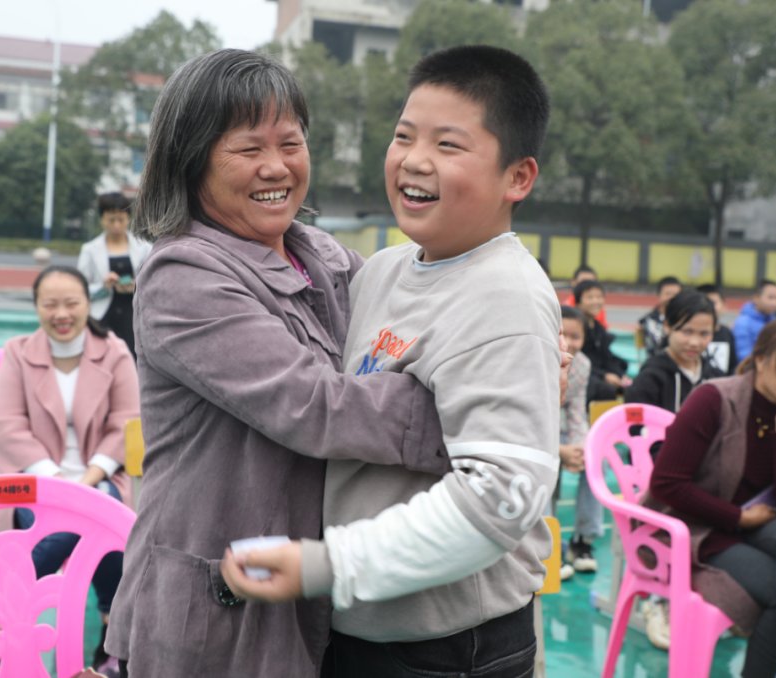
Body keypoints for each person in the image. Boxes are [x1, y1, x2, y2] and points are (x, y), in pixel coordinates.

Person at [103, 49, 450, 678]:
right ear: (192, 160)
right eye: (248, 149)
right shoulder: (182, 275)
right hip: (214, 611)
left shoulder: (321, 255)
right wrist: (476, 411)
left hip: (307, 586)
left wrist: (502, 351)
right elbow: (314, 405)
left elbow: (421, 322)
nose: (276, 167)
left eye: (291, 143)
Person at [221, 45, 561, 678]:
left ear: (518, 177)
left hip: (453, 646)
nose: (414, 159)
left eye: (450, 146)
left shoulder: (505, 295)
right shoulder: (381, 271)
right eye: (404, 136)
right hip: (363, 626)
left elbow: (500, 498)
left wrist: (327, 564)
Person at [648, 317, 776, 678]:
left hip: (756, 531)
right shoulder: (715, 399)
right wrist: (736, 517)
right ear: (762, 359)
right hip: (698, 528)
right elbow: (667, 484)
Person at [0, 265, 138, 675]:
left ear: (88, 303)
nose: (61, 313)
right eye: (50, 304)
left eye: (71, 303)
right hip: (30, 479)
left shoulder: (114, 351)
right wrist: (56, 481)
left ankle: (3, 620)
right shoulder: (18, 352)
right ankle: (110, 636)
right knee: (78, 521)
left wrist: (88, 479)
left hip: (100, 476)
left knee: (97, 513)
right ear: (36, 308)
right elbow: (7, 427)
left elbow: (128, 421)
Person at [623, 290, 724, 650]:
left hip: (702, 478)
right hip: (658, 480)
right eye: (687, 332)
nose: (695, 342)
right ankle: (657, 599)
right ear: (666, 327)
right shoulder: (654, 374)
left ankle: (713, 594)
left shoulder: (713, 375)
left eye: (705, 333)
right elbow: (634, 431)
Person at [77, 192, 152, 357]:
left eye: (121, 219)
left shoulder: (145, 248)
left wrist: (136, 287)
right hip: (102, 317)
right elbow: (79, 290)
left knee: (134, 362)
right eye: (111, 220)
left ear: (129, 218)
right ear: (102, 219)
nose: (116, 225)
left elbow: (155, 285)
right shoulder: (89, 250)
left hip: (134, 318)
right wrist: (103, 286)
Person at [557, 305, 601, 578]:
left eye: (577, 336)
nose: (570, 343)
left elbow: (576, 412)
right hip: (533, 432)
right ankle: (547, 547)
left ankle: (582, 541)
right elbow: (530, 415)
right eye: (564, 334)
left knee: (594, 461)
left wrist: (579, 449)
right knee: (545, 467)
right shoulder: (534, 356)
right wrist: (558, 451)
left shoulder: (582, 364)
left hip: (560, 429)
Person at [575, 278, 630, 400]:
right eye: (590, 297)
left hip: (598, 373)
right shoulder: (576, 328)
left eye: (599, 297)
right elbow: (577, 359)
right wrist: (604, 375)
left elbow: (606, 357)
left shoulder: (599, 328)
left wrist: (620, 375)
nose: (596, 301)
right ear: (578, 303)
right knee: (606, 389)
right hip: (582, 374)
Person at [733, 278, 776, 362]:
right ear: (756, 298)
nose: (775, 303)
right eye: (771, 297)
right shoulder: (743, 323)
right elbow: (744, 357)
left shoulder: (775, 321)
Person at [697, 283, 737, 375]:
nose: (710, 307)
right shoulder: (691, 335)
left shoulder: (726, 333)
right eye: (705, 302)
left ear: (723, 305)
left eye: (714, 303)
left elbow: (732, 365)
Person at [639, 276, 683, 356]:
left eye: (676, 294)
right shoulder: (649, 321)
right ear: (659, 296)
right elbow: (656, 347)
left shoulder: (685, 318)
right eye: (668, 294)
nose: (672, 298)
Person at [563, 264, 608, 328]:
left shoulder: (597, 308)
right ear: (573, 282)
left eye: (592, 282)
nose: (588, 286)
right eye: (583, 282)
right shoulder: (566, 309)